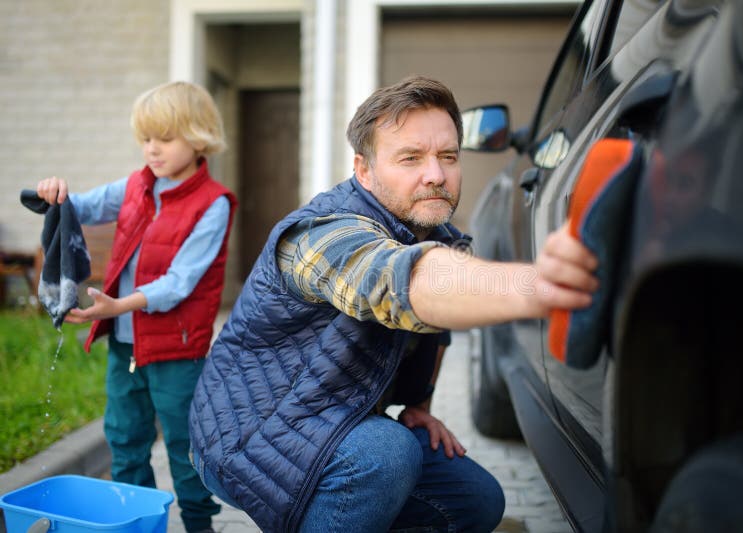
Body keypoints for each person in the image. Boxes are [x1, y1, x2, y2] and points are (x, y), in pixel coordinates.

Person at [189, 76, 598, 532]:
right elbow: (396, 282)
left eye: (448, 157)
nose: (436, 175)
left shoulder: (438, 234)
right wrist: (546, 287)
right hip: (245, 439)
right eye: (410, 158)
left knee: (477, 501)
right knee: (385, 453)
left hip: (332, 421)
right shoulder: (320, 234)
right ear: (363, 170)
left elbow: (433, 326)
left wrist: (419, 404)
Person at [35, 81, 237, 533]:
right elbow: (80, 206)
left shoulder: (214, 204)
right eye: (145, 138)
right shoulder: (135, 186)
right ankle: (134, 524)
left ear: (198, 136)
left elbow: (180, 283)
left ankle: (200, 525)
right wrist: (54, 191)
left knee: (186, 449)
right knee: (125, 441)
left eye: (165, 138)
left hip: (177, 355)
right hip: (126, 348)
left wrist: (117, 306)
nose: (152, 149)